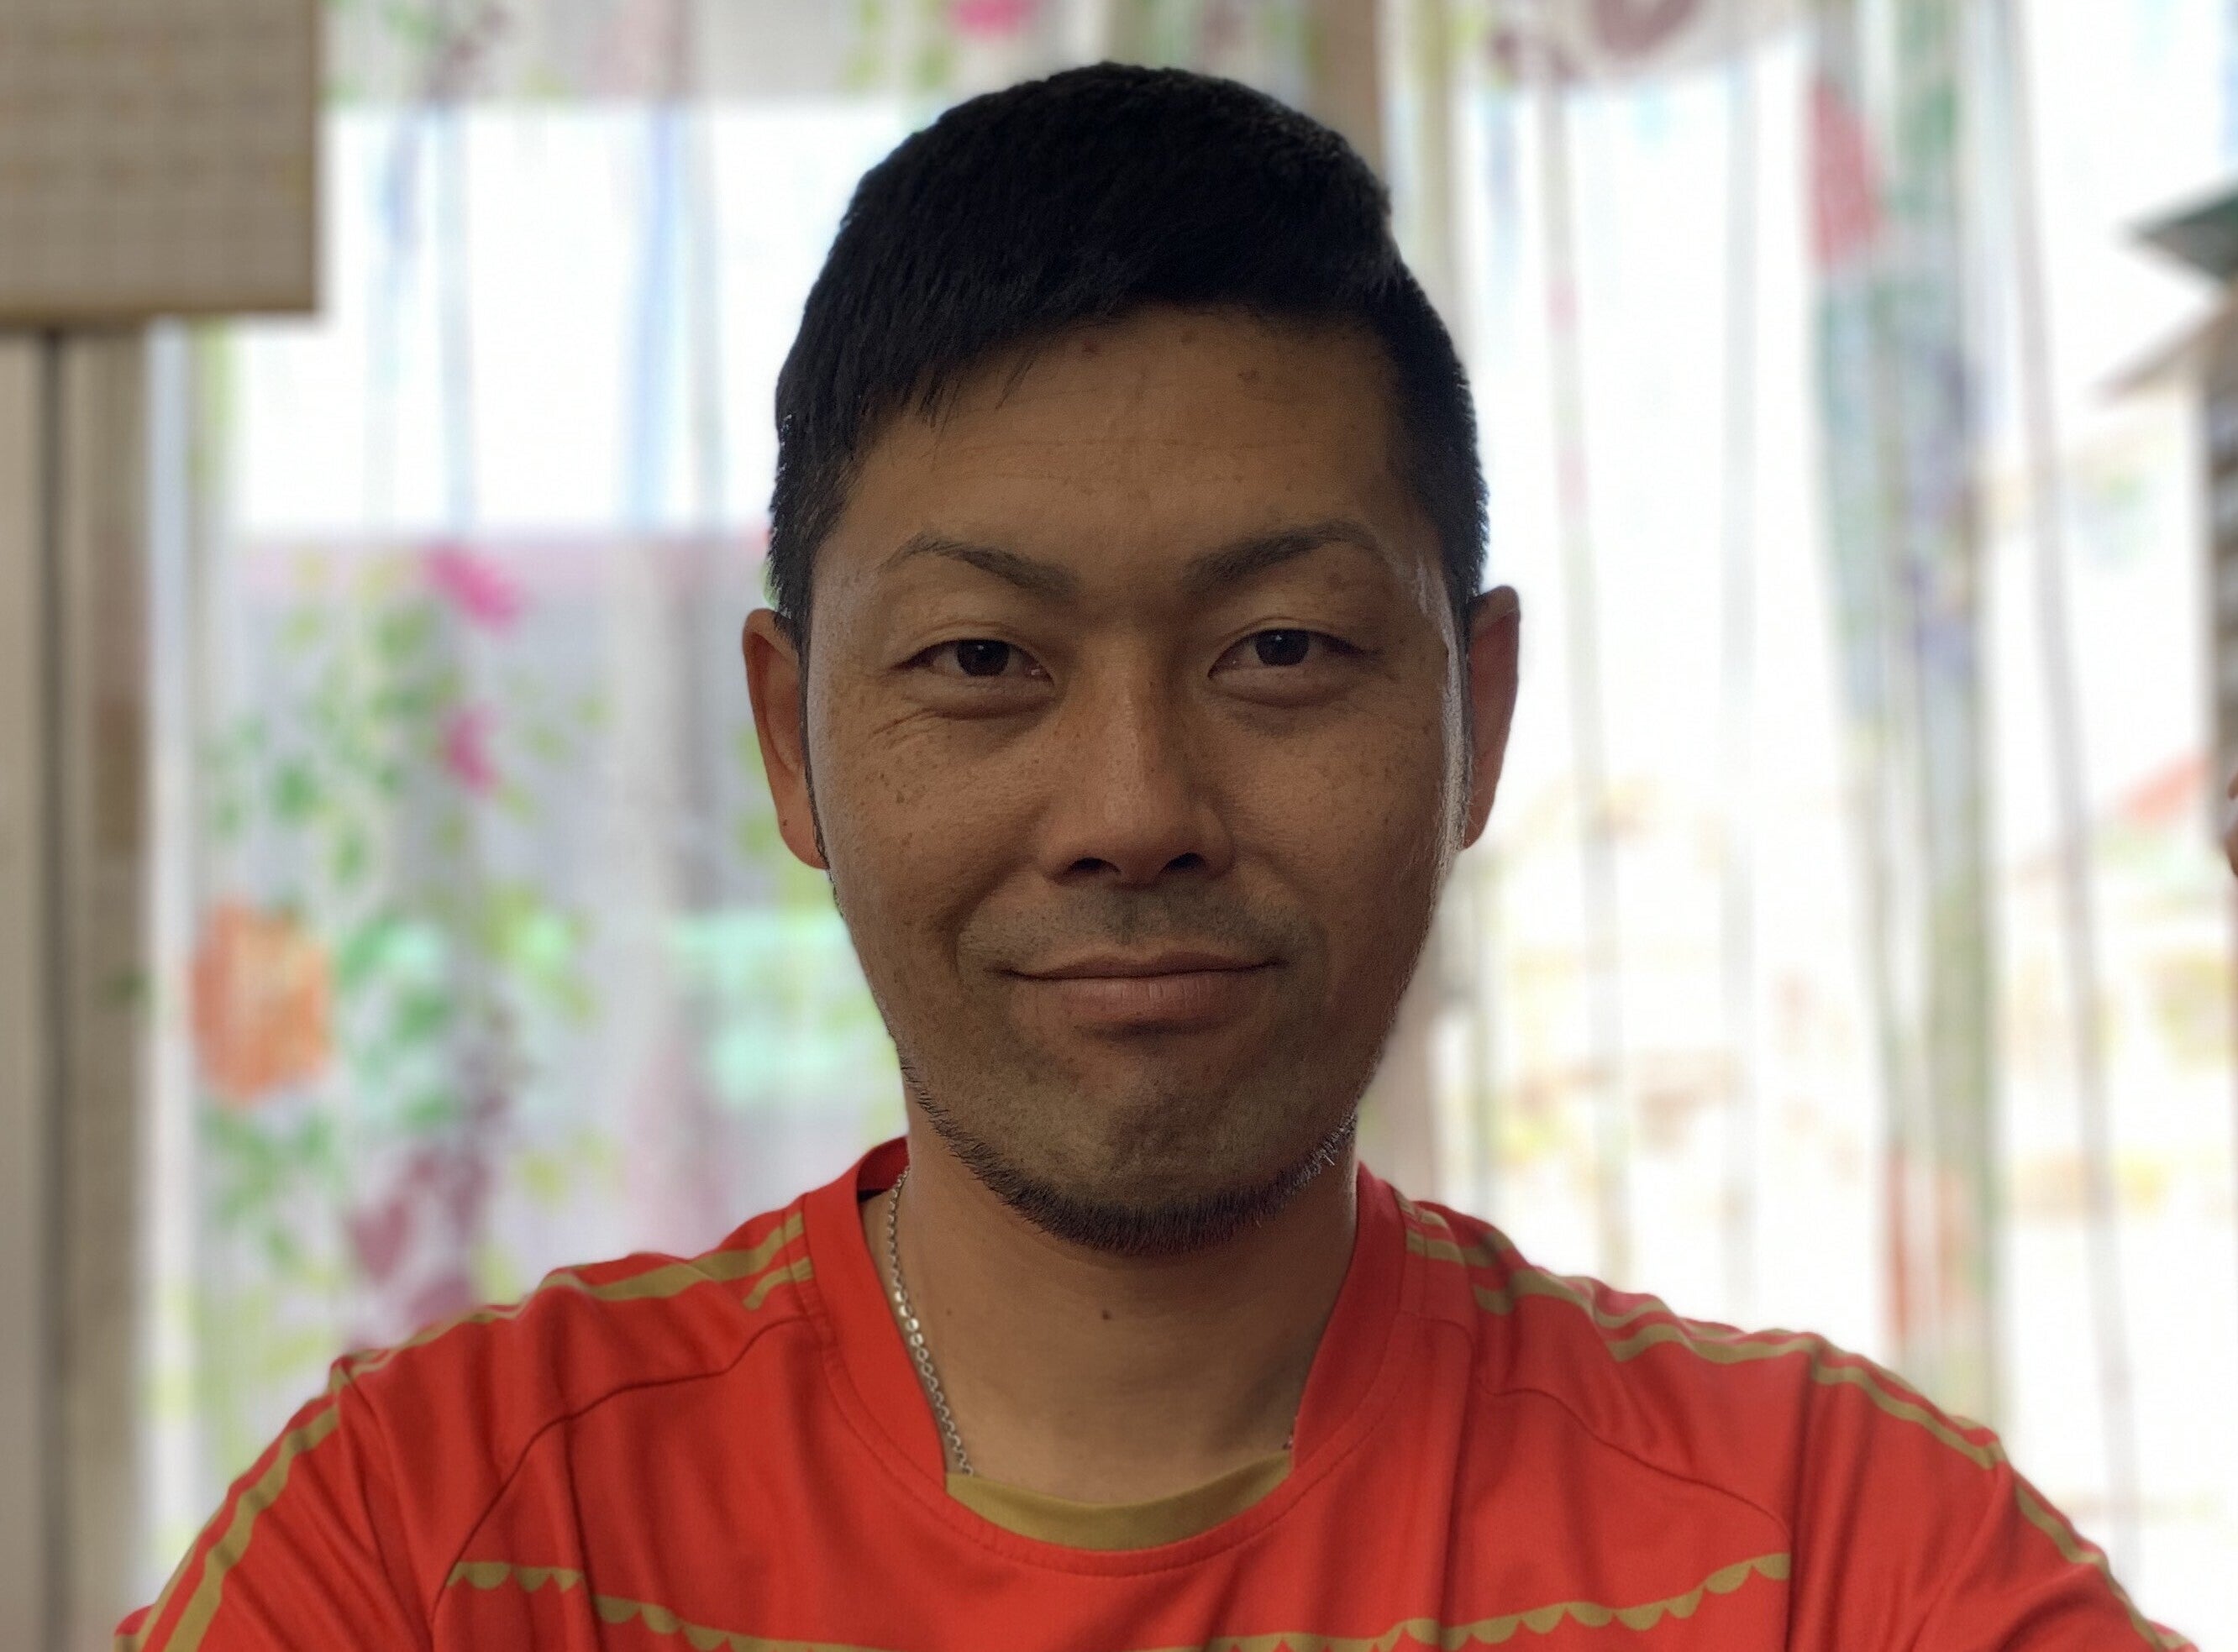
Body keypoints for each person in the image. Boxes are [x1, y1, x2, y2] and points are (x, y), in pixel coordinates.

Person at [120, 63, 2190, 1651]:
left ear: (1477, 716)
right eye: (982, 660)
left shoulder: (1831, 1560)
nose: (1132, 810)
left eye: (1279, 649)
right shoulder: (436, 1544)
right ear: (789, 738)